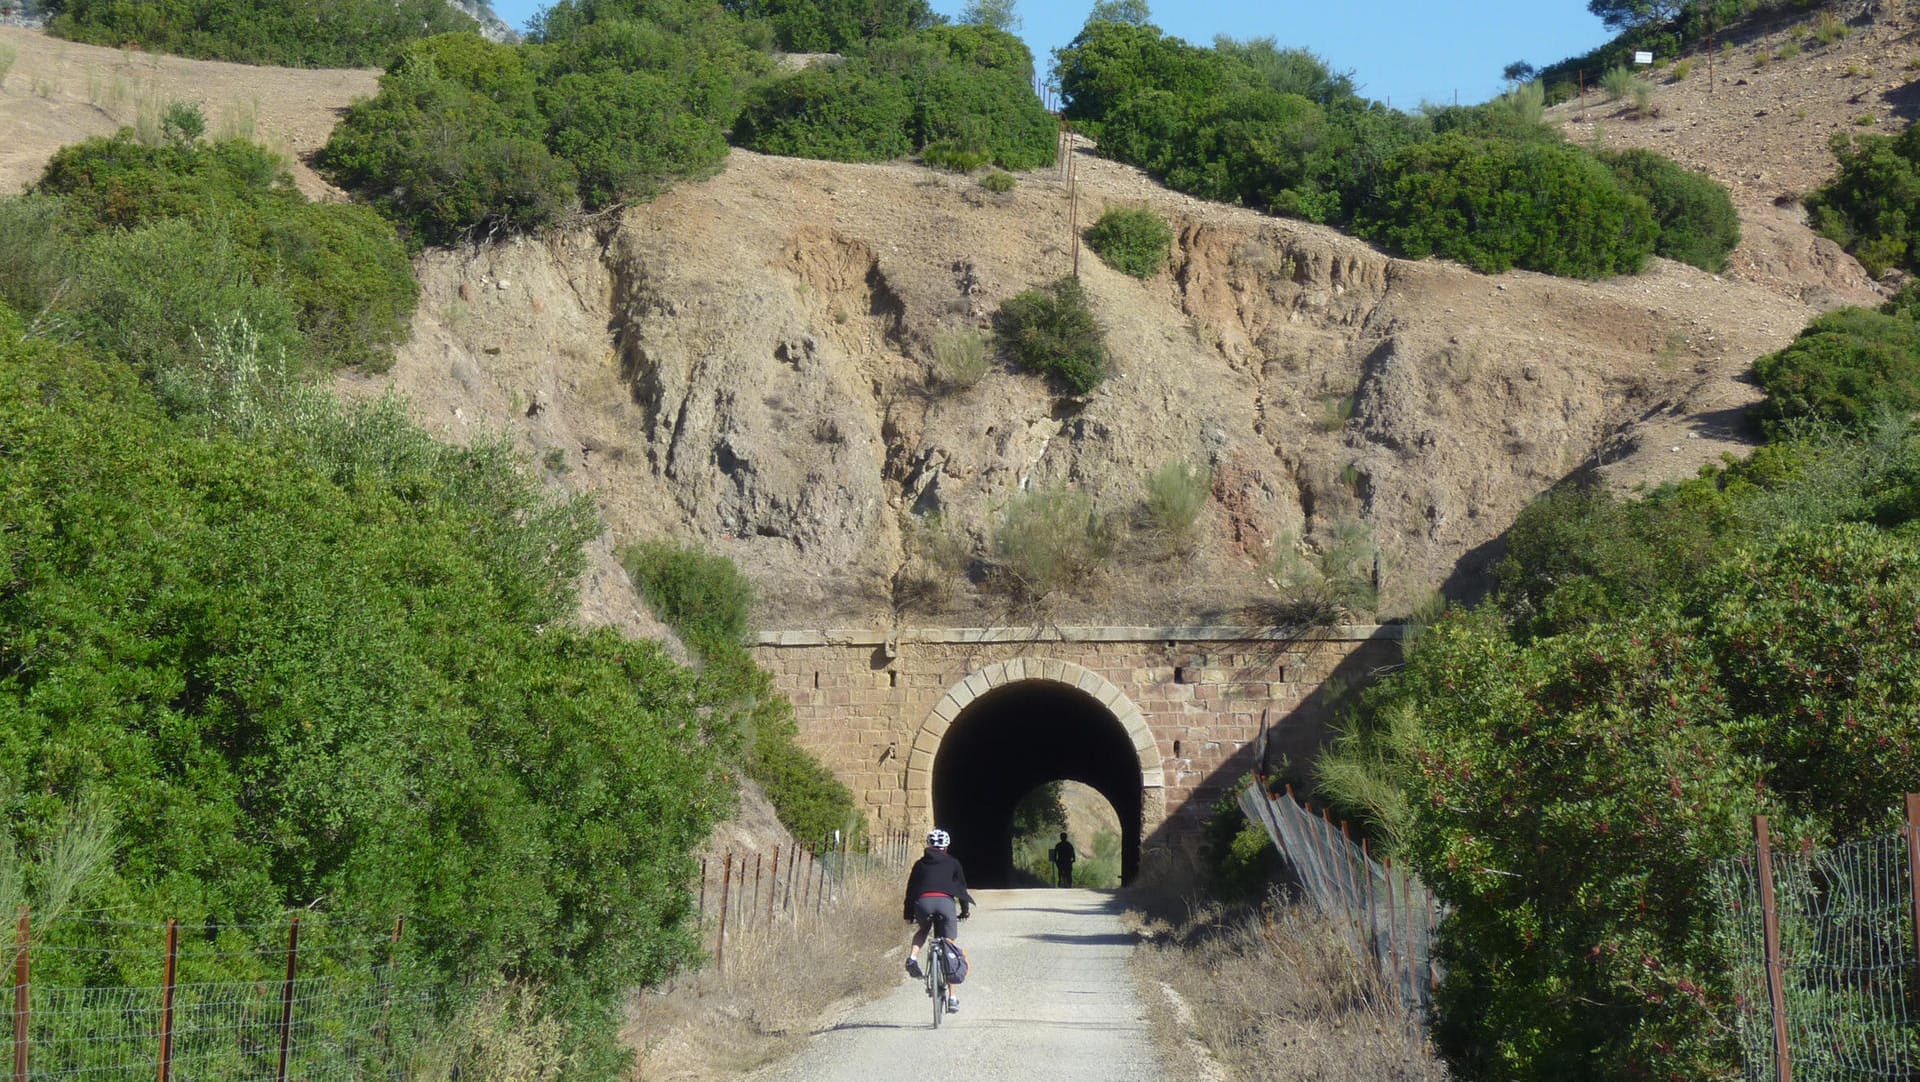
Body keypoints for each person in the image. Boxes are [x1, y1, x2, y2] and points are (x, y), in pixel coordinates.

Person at [903, 827, 974, 1012]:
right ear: (946, 847)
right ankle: (952, 998)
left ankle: (912, 957)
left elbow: (911, 890)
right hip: (945, 903)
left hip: (923, 902)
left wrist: (909, 913)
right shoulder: (953, 862)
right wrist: (964, 910)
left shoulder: (920, 864)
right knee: (948, 946)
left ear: (929, 845)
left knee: (924, 929)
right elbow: (961, 889)